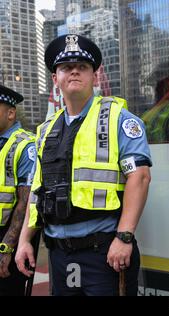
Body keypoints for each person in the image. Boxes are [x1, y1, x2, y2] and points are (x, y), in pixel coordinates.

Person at [15, 34, 152, 296]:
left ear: (95, 76)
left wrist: (124, 237)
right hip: (59, 254)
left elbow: (140, 177)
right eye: (66, 67)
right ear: (55, 79)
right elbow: (36, 189)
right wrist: (24, 240)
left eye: (83, 66)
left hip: (105, 252)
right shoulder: (45, 131)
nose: (74, 71)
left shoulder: (119, 119)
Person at [0, 85, 35, 296]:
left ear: (11, 113)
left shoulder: (25, 145)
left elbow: (26, 201)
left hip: (6, 238)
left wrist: (6, 248)